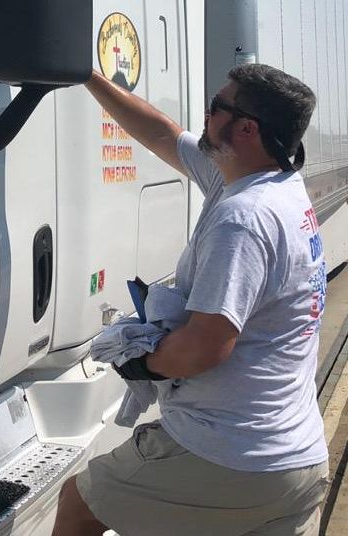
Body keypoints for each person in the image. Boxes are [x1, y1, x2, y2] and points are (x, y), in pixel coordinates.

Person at [52, 63, 329, 536]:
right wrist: (86, 75)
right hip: (298, 460)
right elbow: (162, 134)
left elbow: (205, 347)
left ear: (246, 129)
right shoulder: (273, 187)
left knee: (79, 503)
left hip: (232, 455)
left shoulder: (243, 219)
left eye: (216, 106)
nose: (205, 113)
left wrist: (141, 362)